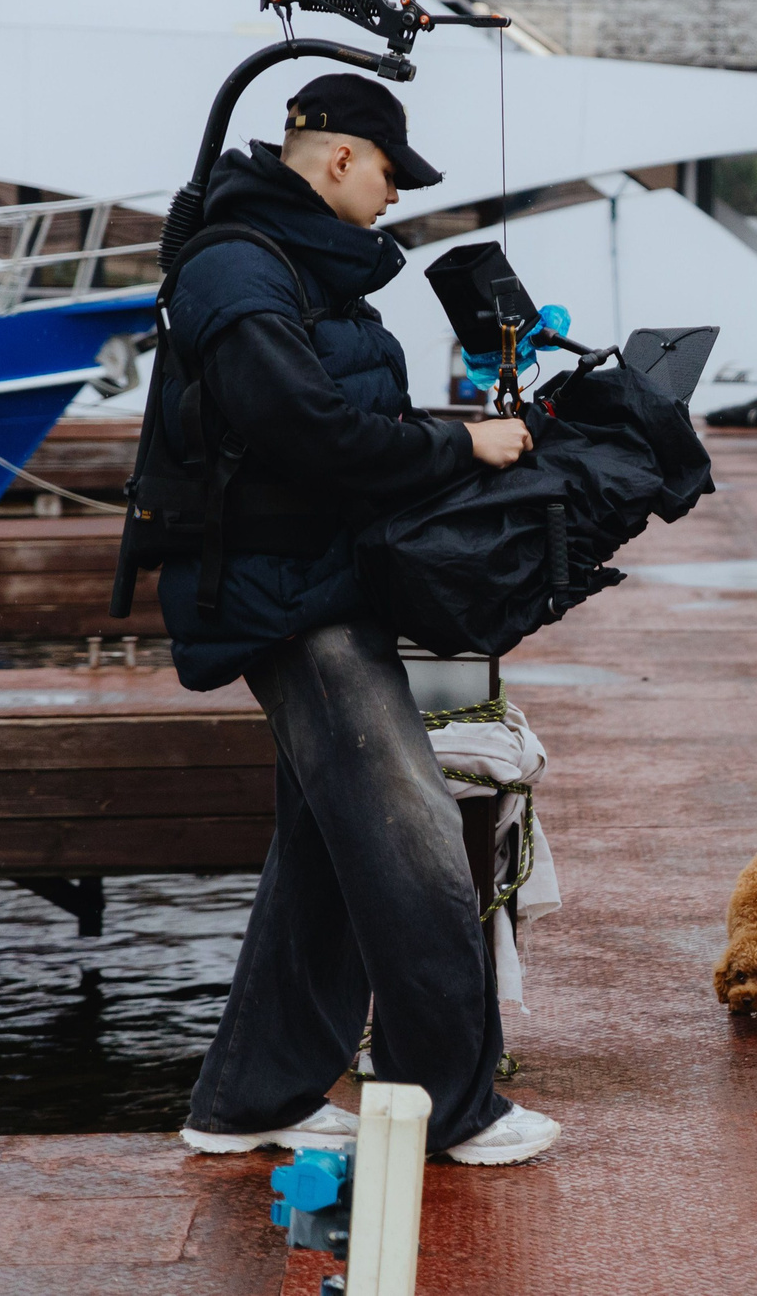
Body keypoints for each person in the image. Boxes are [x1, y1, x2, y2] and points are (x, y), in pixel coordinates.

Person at [158, 73, 560, 1165]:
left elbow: (340, 418)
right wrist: (458, 445)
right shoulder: (240, 270)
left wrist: (460, 437)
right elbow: (304, 429)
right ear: (338, 157)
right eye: (389, 171)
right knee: (410, 836)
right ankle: (452, 1109)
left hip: (317, 578)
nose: (394, 196)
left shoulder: (306, 271)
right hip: (282, 597)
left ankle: (250, 1098)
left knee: (329, 854)